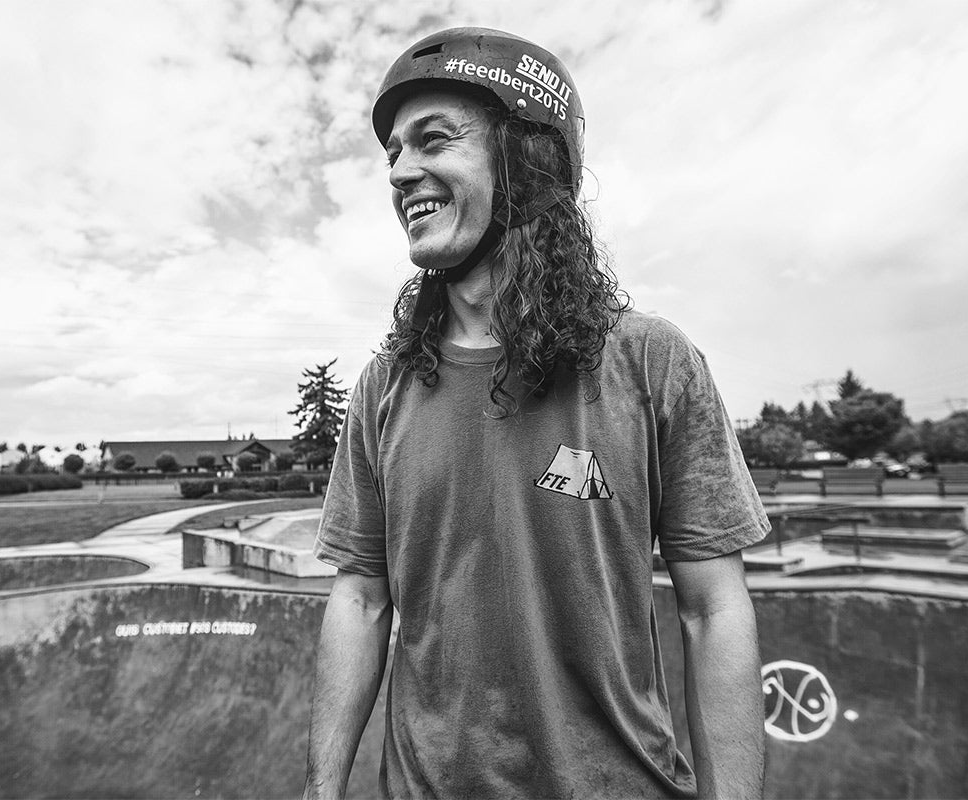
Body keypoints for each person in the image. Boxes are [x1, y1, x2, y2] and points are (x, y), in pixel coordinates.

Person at [305, 27, 768, 800]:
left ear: (527, 162)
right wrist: (321, 793)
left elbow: (713, 610)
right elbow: (358, 599)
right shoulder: (383, 385)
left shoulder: (650, 362)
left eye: (434, 140)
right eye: (392, 153)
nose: (400, 172)